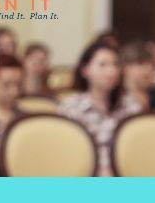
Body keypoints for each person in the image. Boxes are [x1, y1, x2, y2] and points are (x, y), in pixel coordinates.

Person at [59, 40, 141, 175]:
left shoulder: (131, 106)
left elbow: (139, 151)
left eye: (115, 64)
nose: (112, 71)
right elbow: (64, 156)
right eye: (103, 65)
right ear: (85, 70)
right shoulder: (71, 108)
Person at [120, 40, 155, 112]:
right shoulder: (118, 101)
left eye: (151, 64)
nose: (148, 69)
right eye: (141, 64)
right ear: (126, 68)